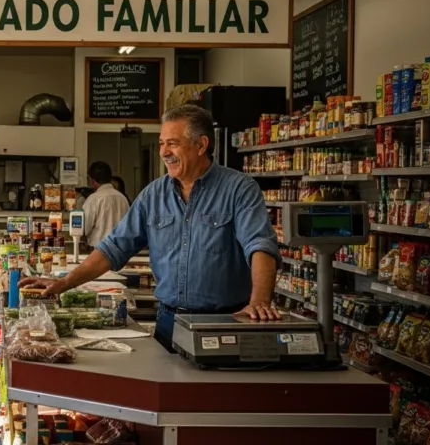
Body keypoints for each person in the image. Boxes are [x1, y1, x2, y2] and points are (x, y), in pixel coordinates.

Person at [21, 104, 281, 352]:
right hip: (169, 321)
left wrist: (259, 301)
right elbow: (113, 248)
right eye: (161, 143)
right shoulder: (153, 195)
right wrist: (64, 283)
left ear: (201, 145)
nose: (163, 152)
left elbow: (259, 246)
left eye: (173, 143)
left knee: (216, 396)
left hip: (224, 321)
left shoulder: (239, 189)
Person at [81, 161, 130, 248]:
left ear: (92, 181)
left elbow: (83, 228)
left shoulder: (93, 199)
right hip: (121, 250)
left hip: (99, 250)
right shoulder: (122, 198)